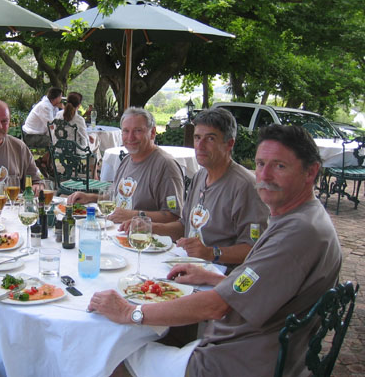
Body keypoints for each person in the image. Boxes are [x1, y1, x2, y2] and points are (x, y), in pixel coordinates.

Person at [88, 125, 342, 377]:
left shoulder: (297, 234)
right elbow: (260, 284)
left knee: (108, 355)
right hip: (271, 350)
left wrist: (130, 312)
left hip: (237, 360)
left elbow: (215, 307)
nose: (264, 176)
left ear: (311, 172)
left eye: (280, 166)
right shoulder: (306, 218)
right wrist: (215, 278)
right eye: (261, 163)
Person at [122, 107, 269, 266]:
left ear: (229, 144)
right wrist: (149, 226)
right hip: (187, 265)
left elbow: (255, 249)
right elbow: (184, 226)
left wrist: (210, 253)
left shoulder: (246, 186)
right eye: (197, 137)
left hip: (219, 276)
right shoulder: (200, 176)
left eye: (210, 139)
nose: (201, 145)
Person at [68, 107, 184, 223]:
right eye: (126, 131)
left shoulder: (166, 166)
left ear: (152, 133)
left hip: (143, 238)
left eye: (138, 131)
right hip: (116, 232)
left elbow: (174, 216)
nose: (130, 137)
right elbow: (115, 198)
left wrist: (135, 215)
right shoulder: (127, 159)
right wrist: (90, 197)